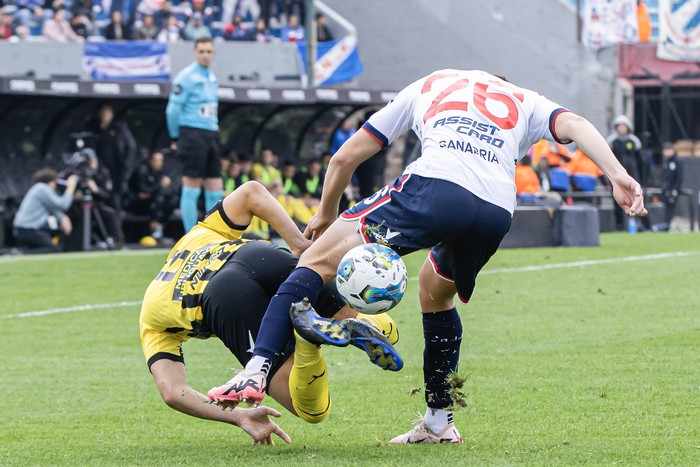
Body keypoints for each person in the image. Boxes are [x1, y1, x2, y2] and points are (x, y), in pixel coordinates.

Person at [208, 69, 648, 444]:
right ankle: (439, 420)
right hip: (496, 209)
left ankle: (256, 367)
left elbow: (345, 157)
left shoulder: (430, 83)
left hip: (436, 187)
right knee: (435, 293)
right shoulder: (525, 99)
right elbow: (577, 124)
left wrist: (326, 214)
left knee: (315, 262)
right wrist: (619, 175)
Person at [140, 181, 399, 442]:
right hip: (258, 255)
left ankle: (307, 340)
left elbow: (173, 392)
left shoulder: (151, 316)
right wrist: (299, 245)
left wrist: (239, 416)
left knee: (311, 409)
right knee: (389, 333)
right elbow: (252, 191)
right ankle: (342, 321)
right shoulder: (196, 236)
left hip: (223, 295)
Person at [166, 37, 222, 233]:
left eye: (209, 51)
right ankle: (191, 237)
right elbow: (172, 110)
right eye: (201, 51)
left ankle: (214, 235)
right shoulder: (186, 77)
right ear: (194, 52)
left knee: (215, 187)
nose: (205, 55)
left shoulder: (212, 77)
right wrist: (175, 136)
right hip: (192, 134)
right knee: (192, 186)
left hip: (211, 133)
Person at [12, 168, 78, 252]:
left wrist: (62, 217)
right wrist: (70, 188)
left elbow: (52, 208)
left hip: (26, 230)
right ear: (51, 182)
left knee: (56, 239)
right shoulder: (41, 188)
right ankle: (18, 254)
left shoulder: (38, 189)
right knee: (53, 249)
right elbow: (63, 205)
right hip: (27, 230)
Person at [87, 103, 136, 206]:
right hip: (99, 170)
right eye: (102, 112)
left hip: (117, 170)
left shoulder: (119, 127)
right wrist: (92, 158)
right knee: (99, 195)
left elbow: (131, 147)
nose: (104, 114)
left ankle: (115, 218)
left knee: (115, 198)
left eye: (107, 112)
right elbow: (89, 146)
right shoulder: (93, 127)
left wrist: (126, 166)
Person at [127, 150, 177, 242]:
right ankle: (154, 229)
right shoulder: (142, 170)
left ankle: (159, 228)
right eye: (157, 160)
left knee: (172, 200)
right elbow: (144, 190)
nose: (159, 163)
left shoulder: (160, 172)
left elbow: (161, 191)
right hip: (137, 203)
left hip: (154, 200)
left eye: (161, 160)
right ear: (151, 160)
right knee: (159, 200)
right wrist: (159, 185)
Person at [659, 142, 683, 229]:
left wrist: (675, 189)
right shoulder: (665, 161)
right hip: (665, 189)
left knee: (671, 209)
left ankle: (668, 225)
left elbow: (679, 177)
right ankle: (666, 225)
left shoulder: (677, 161)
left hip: (673, 189)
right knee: (666, 208)